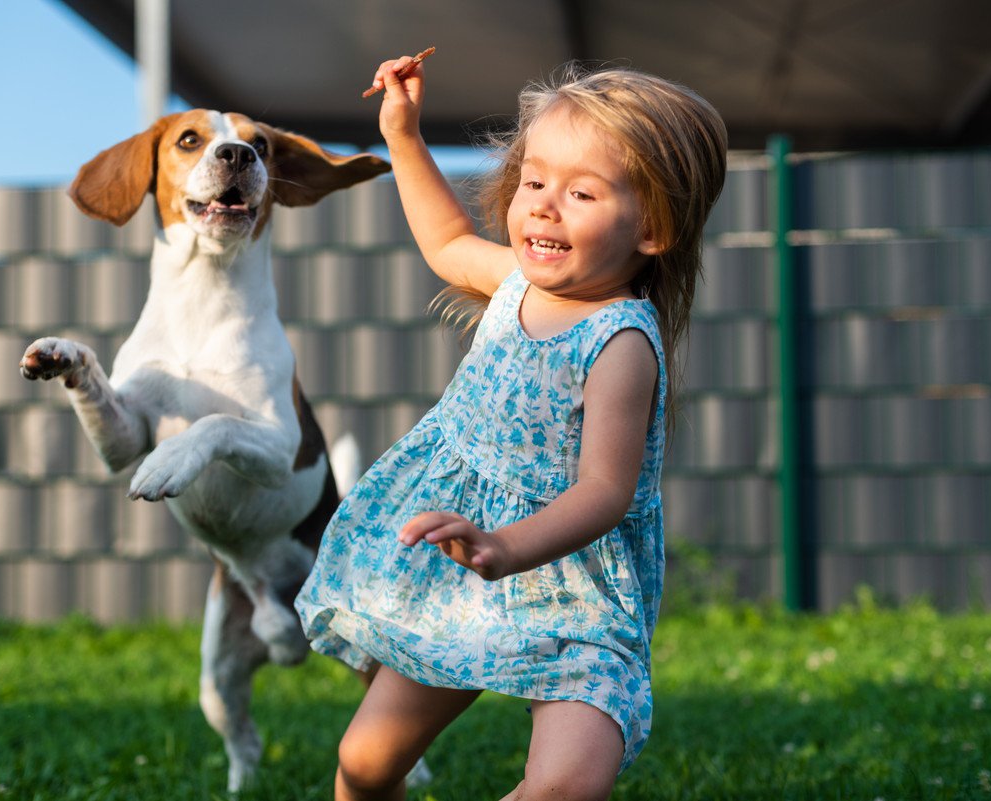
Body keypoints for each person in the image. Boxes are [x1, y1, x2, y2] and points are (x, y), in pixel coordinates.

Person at [295, 52, 727, 801]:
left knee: (567, 783)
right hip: (462, 570)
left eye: (581, 192)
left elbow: (604, 490)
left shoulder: (619, 341)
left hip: (573, 588)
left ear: (652, 227)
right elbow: (444, 242)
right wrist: (401, 135)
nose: (543, 206)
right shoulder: (516, 282)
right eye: (534, 181)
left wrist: (506, 545)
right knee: (364, 763)